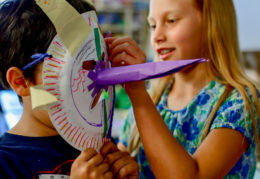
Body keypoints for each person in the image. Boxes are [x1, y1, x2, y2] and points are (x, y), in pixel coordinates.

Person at [106, 0, 260, 178]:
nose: (156, 36)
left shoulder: (240, 102)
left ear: (212, 22)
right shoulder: (151, 100)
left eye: (171, 20)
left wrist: (138, 93)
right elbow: (123, 161)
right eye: (153, 25)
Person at [0, 0, 139, 178]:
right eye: (79, 67)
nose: (99, 78)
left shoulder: (101, 147)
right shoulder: (6, 164)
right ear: (20, 82)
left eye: (101, 59)